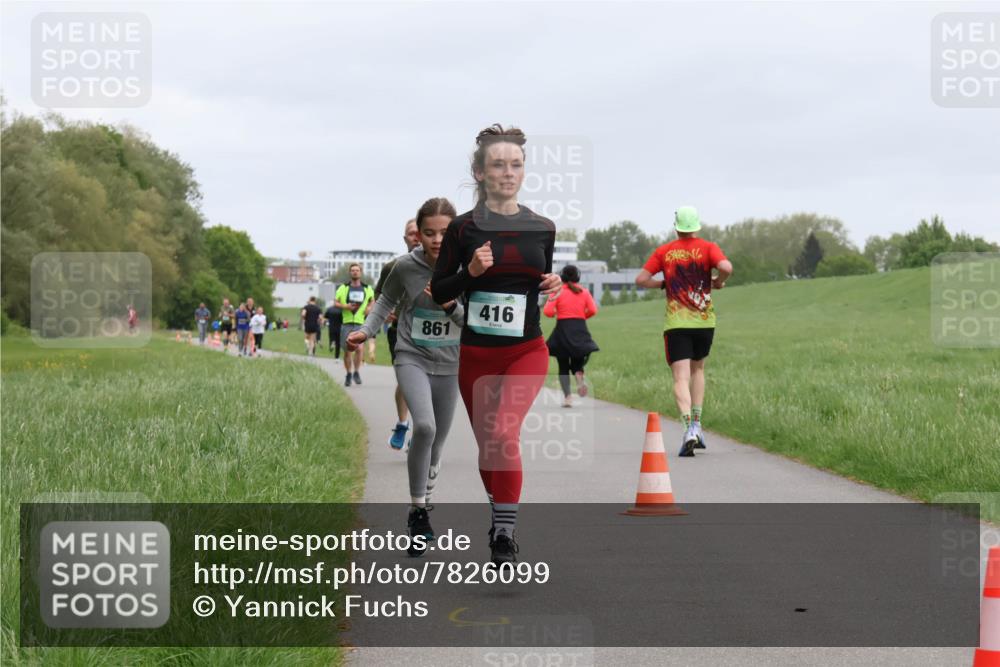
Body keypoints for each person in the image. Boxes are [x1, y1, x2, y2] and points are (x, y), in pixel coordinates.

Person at [430, 124, 561, 567]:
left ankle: (504, 535)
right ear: (480, 172)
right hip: (477, 354)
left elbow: (538, 283)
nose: (508, 172)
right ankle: (499, 513)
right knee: (491, 445)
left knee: (504, 433)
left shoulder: (543, 228)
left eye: (516, 165)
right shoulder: (463, 228)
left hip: (526, 349)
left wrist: (551, 282)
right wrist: (469, 272)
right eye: (499, 165)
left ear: (524, 171)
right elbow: (440, 288)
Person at [348, 198, 463, 553]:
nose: (437, 240)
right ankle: (418, 511)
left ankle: (425, 495)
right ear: (418, 234)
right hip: (412, 354)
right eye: (429, 233)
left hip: (451, 363)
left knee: (437, 443)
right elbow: (385, 301)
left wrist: (449, 305)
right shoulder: (405, 267)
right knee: (424, 427)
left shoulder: (466, 267)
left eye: (444, 233)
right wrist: (366, 330)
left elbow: (472, 319)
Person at [635, 205, 733, 457]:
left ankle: (688, 428)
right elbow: (726, 267)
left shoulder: (664, 251)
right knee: (698, 369)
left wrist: (662, 284)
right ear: (697, 225)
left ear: (676, 227)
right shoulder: (708, 248)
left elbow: (641, 279)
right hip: (704, 322)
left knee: (680, 377)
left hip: (677, 323)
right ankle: (698, 425)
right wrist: (718, 282)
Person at [376, 218, 422, 449]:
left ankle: (422, 430)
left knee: (429, 384)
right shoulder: (393, 267)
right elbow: (380, 297)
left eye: (420, 232)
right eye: (411, 233)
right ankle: (403, 424)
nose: (416, 237)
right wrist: (387, 313)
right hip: (400, 332)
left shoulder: (443, 265)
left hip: (433, 335)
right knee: (406, 381)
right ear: (405, 239)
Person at [543, 264, 599, 407]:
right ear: (577, 277)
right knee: (577, 362)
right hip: (580, 329)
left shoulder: (558, 291)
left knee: (563, 366)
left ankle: (568, 398)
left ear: (562, 276)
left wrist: (558, 313)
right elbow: (593, 310)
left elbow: (548, 312)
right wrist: (582, 317)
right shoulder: (584, 292)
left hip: (563, 329)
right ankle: (579, 376)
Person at [335, 264, 375, 386]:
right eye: (352, 270)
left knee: (359, 348)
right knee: (347, 351)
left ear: (360, 272)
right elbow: (336, 302)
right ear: (350, 272)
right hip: (346, 322)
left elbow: (372, 300)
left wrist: (369, 308)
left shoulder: (367, 288)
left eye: (357, 270)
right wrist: (345, 306)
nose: (355, 272)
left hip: (360, 323)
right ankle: (348, 373)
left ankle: (356, 372)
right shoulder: (343, 288)